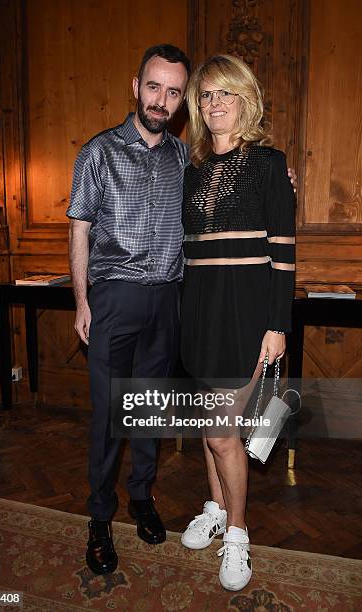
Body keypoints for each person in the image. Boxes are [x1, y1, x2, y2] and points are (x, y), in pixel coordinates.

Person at [67, 44, 190, 575]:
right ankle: (99, 517)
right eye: (154, 86)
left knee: (150, 409)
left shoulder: (183, 157)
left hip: (167, 299)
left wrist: (281, 186)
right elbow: (79, 228)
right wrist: (81, 301)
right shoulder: (98, 152)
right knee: (109, 419)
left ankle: (141, 498)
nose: (161, 100)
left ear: (181, 100)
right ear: (135, 86)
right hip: (113, 298)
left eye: (173, 91)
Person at [180, 54, 296, 592]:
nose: (214, 103)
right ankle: (215, 507)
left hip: (247, 314)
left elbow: (285, 253)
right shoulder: (193, 169)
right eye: (205, 95)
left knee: (225, 433)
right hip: (200, 311)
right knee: (209, 429)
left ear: (245, 99)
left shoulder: (271, 164)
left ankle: (238, 535)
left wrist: (278, 324)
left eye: (224, 93)